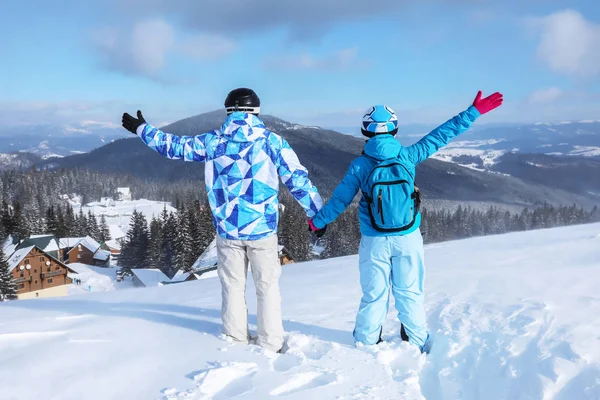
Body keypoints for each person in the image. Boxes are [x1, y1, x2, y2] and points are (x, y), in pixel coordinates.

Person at [121, 88, 324, 352]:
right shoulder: (272, 142)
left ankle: (235, 338)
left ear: (229, 110)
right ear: (256, 111)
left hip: (228, 230)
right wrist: (317, 216)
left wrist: (142, 129)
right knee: (267, 288)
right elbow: (298, 181)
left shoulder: (214, 141)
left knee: (232, 286)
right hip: (262, 230)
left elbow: (173, 147)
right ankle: (271, 342)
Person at [308, 91, 504, 352]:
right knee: (409, 292)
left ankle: (366, 342)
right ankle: (416, 340)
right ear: (395, 129)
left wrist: (318, 223)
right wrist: (474, 111)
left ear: (366, 132)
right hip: (408, 237)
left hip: (374, 240)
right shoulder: (408, 156)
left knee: (374, 294)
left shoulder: (360, 166)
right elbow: (441, 135)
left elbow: (340, 200)